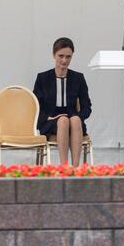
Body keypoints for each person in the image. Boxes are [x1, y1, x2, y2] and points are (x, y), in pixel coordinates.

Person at [33, 37, 92, 166]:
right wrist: (47, 118)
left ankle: (75, 168)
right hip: (50, 121)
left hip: (73, 121)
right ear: (53, 55)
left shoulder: (78, 78)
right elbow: (36, 107)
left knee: (73, 120)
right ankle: (64, 167)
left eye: (68, 57)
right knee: (63, 120)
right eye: (61, 56)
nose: (64, 60)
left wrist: (77, 116)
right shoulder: (42, 78)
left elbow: (87, 107)